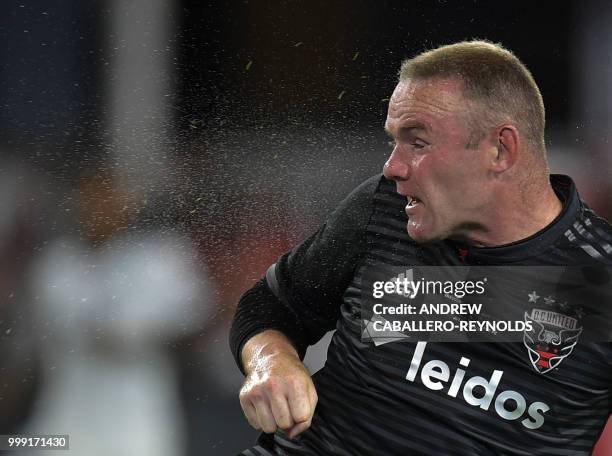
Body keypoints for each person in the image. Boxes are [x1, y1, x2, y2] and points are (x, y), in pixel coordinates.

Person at [229, 41, 612, 455]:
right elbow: (273, 304)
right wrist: (271, 360)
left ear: (500, 149)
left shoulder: (599, 281)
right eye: (395, 141)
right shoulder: (385, 211)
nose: (392, 166)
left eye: (418, 142)